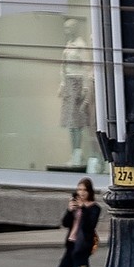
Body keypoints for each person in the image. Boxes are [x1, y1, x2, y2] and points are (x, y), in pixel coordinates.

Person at [55, 179, 101, 267]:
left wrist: (84, 209)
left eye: (84, 190)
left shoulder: (94, 208)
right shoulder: (76, 206)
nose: (81, 193)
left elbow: (89, 226)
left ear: (89, 192)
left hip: (82, 249)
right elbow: (65, 223)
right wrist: (70, 210)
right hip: (71, 246)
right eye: (79, 189)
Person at [60, 18, 92, 169]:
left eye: (68, 28)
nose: (66, 31)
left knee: (77, 122)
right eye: (65, 28)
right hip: (69, 84)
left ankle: (78, 155)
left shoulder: (80, 46)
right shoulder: (68, 45)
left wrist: (85, 88)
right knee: (71, 123)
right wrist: (62, 84)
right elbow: (63, 66)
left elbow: (86, 67)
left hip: (77, 84)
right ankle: (74, 153)